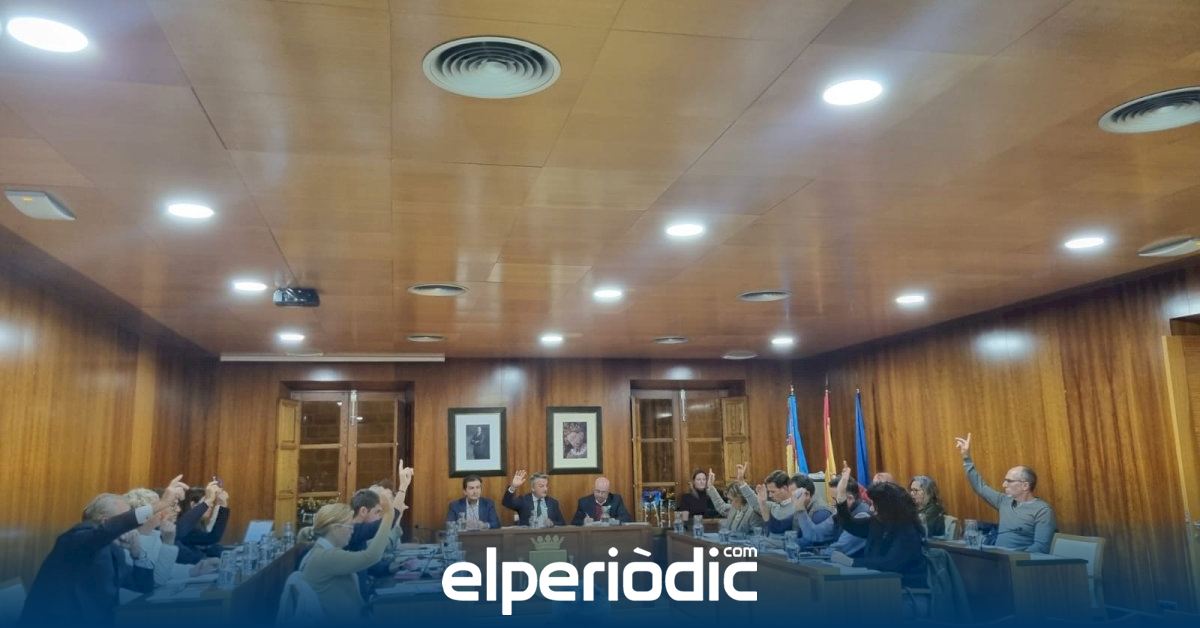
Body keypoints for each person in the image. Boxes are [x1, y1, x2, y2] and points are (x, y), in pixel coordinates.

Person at [21, 474, 188, 626]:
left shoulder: (113, 550)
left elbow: (143, 586)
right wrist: (161, 504)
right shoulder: (75, 539)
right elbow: (107, 531)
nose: (132, 526)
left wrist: (138, 555)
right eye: (126, 518)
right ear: (106, 521)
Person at [298, 464, 409, 618]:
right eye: (349, 527)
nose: (352, 530)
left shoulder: (323, 552)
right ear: (335, 528)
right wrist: (389, 513)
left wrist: (393, 567)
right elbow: (371, 556)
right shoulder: (326, 557)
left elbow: (369, 566)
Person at [831, 464, 927, 590]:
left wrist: (852, 562)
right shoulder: (878, 522)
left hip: (906, 590)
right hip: (880, 584)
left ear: (887, 507)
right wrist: (841, 496)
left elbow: (890, 563)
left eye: (874, 505)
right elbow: (850, 524)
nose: (871, 509)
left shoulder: (908, 531)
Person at [955, 432, 1055, 552]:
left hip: (1020, 561)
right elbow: (980, 487)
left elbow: (1040, 547)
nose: (1004, 485)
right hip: (997, 557)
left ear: (1025, 485)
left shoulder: (1042, 510)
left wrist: (1013, 558)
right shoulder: (1004, 501)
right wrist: (966, 457)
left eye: (1009, 481)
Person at [123, 488, 217, 586]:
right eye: (159, 508)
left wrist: (194, 570)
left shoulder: (154, 534)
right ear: (145, 515)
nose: (164, 512)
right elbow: (156, 581)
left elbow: (167, 569)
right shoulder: (127, 541)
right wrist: (168, 543)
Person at [704, 463, 762, 533]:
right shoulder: (735, 508)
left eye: (731, 500)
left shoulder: (753, 513)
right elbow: (722, 507)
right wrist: (710, 486)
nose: (729, 503)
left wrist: (741, 481)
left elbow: (757, 536)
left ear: (740, 497)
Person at [826, 476, 870, 556]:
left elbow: (840, 548)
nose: (833, 503)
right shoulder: (840, 512)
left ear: (850, 498)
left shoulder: (862, 515)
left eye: (836, 499)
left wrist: (817, 553)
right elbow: (817, 533)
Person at [789, 473, 838, 546]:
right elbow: (795, 532)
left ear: (807, 494)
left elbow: (811, 541)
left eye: (793, 495)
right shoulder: (802, 505)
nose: (791, 499)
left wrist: (786, 543)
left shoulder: (821, 513)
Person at [754, 470, 795, 534]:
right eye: (769, 492)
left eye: (773, 492)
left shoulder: (797, 508)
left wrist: (763, 504)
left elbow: (777, 530)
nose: (770, 495)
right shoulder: (774, 505)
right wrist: (742, 483)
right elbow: (756, 503)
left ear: (785, 488)